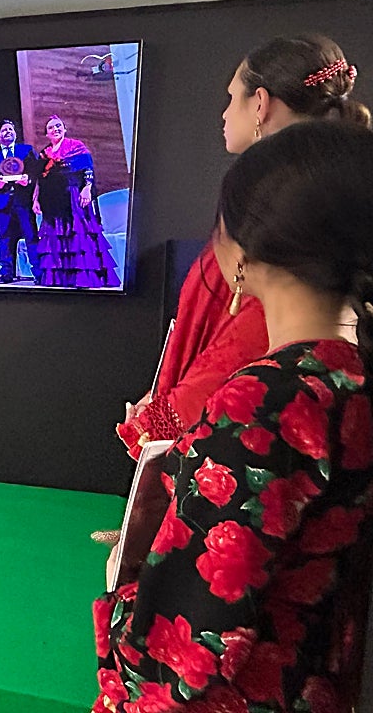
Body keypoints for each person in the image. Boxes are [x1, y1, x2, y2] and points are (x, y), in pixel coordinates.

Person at [93, 120, 373, 712]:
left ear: (244, 252)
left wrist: (124, 604)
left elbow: (184, 647)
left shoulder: (264, 400)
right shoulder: (350, 374)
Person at [118, 35, 372, 457]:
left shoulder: (285, 202)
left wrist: (169, 415)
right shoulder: (328, 183)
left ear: (260, 103)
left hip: (252, 414)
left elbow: (252, 332)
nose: (223, 113)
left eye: (232, 98)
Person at [31, 115, 119, 288]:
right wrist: (36, 199)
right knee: (56, 235)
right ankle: (61, 278)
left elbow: (88, 169)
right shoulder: (44, 154)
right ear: (47, 134)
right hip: (52, 201)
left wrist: (87, 188)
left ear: (64, 129)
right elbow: (40, 180)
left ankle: (84, 278)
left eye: (58, 126)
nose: (55, 129)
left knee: (79, 233)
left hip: (73, 197)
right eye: (51, 128)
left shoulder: (76, 146)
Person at [0, 120, 39, 283]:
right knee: (4, 238)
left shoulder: (26, 151)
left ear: (15, 133)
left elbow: (37, 171)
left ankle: (39, 272)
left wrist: (28, 179)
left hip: (23, 201)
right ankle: (6, 273)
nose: (7, 132)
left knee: (31, 236)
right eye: (4, 130)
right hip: (1, 202)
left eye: (10, 129)